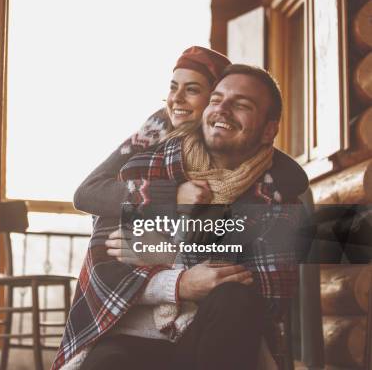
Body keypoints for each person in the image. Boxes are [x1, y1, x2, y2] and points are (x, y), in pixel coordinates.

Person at [52, 63, 310, 370]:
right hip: (127, 337)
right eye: (216, 99)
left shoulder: (276, 194)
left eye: (241, 105)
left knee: (237, 300)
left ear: (269, 129)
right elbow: (106, 268)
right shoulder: (142, 169)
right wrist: (180, 283)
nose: (223, 110)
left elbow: (269, 293)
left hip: (211, 339)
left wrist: (164, 250)